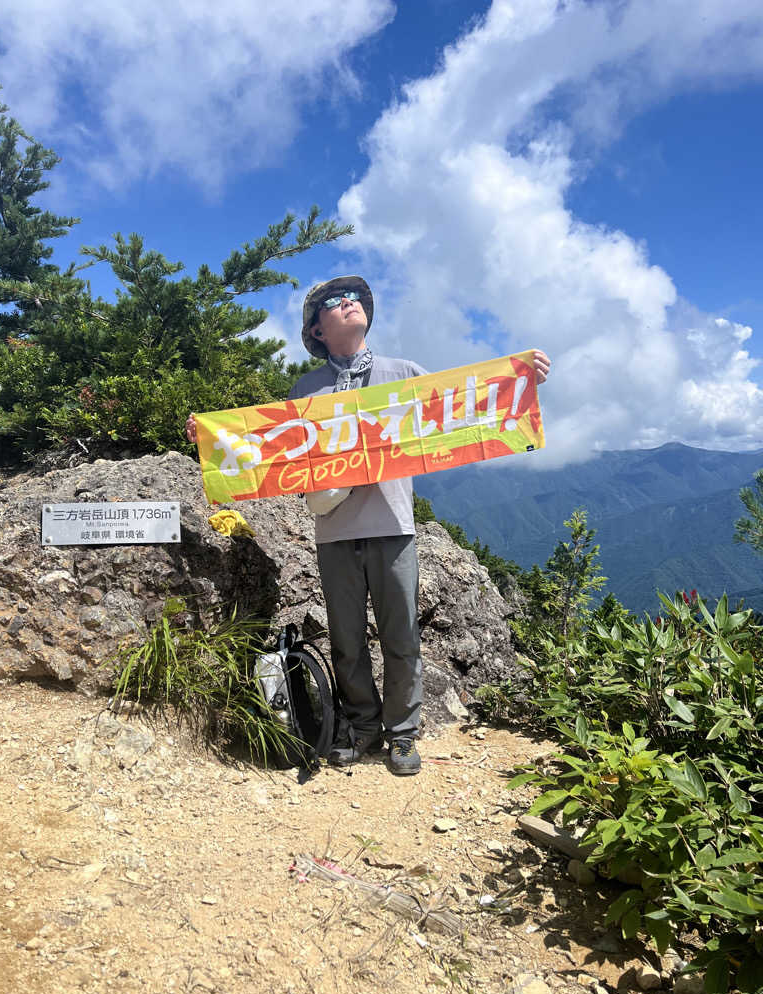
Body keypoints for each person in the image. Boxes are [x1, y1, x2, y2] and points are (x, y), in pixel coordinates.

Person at [187, 276, 550, 776]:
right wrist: (211, 438)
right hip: (334, 530)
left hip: (394, 526)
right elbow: (270, 448)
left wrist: (520, 383)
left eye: (354, 298)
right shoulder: (306, 390)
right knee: (347, 640)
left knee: (402, 636)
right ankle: (361, 726)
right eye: (335, 301)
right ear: (318, 329)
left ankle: (402, 733)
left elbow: (458, 409)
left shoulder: (403, 373)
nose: (350, 303)